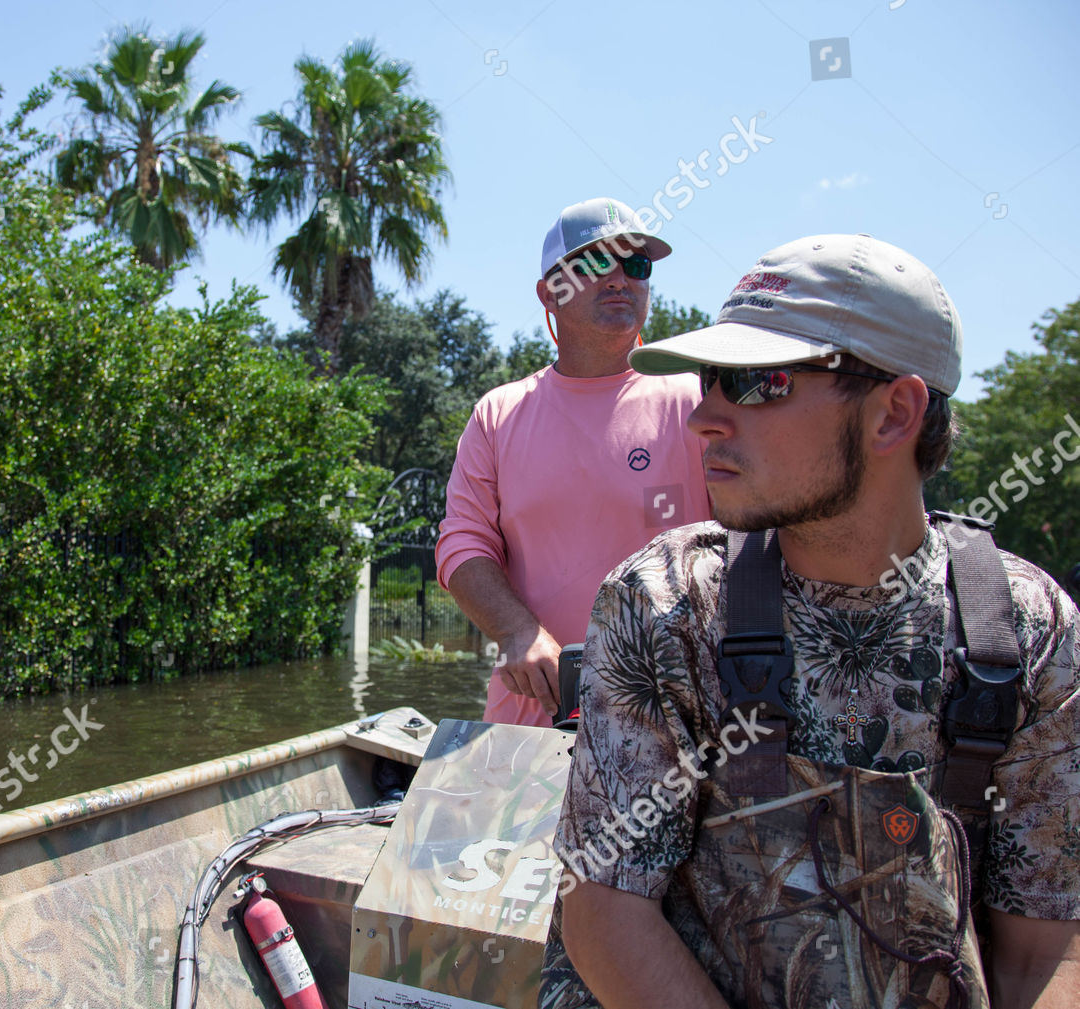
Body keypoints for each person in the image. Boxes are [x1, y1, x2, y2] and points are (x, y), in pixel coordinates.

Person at [546, 233, 1080, 1007]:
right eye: (709, 383)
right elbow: (604, 906)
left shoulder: (1031, 633)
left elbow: (1047, 944)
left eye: (756, 384)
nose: (705, 421)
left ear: (894, 413)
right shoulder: (667, 604)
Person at [436, 197, 711, 726]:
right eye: (593, 263)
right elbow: (461, 544)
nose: (618, 279)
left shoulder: (699, 401)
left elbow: (751, 544)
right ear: (549, 293)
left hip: (677, 722)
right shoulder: (498, 413)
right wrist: (518, 631)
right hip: (532, 723)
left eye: (635, 265)